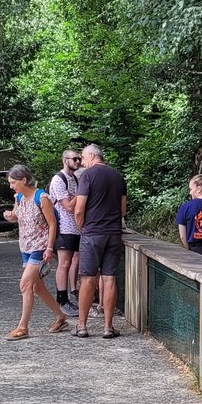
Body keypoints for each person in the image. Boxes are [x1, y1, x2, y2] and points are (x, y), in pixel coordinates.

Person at [0, 164, 65, 339]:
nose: (11, 185)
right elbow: (16, 217)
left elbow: (52, 224)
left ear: (23, 180)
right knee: (36, 286)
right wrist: (9, 216)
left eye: (13, 182)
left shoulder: (42, 197)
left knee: (25, 284)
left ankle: (23, 327)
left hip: (40, 247)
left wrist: (50, 248)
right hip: (26, 247)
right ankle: (60, 316)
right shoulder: (19, 197)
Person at [74, 143, 126, 339]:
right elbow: (122, 210)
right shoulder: (118, 176)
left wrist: (82, 228)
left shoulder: (88, 176)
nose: (82, 162)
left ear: (92, 156)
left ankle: (82, 326)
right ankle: (108, 327)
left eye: (83, 158)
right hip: (113, 234)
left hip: (92, 233)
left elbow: (79, 209)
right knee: (109, 278)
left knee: (87, 278)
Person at [48, 150, 83, 318]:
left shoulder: (74, 179)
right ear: (65, 160)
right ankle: (62, 300)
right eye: (74, 159)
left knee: (71, 263)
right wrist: (79, 194)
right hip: (63, 228)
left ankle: (69, 297)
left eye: (79, 159)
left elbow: (74, 203)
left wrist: (75, 196)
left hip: (76, 228)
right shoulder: (58, 179)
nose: (77, 161)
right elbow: (69, 206)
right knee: (64, 263)